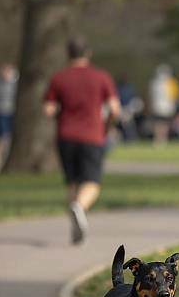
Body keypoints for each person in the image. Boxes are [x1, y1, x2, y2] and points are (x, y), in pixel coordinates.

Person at [43, 37, 121, 244]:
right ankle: (79, 207)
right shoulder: (101, 77)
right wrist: (107, 125)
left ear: (68, 54)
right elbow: (114, 109)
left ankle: (74, 224)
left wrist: (62, 114)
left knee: (72, 181)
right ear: (88, 53)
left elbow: (48, 109)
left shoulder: (59, 78)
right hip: (92, 135)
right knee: (92, 182)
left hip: (65, 136)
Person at [149, 64, 179, 143]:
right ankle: (161, 138)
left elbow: (175, 96)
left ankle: (160, 138)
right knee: (162, 123)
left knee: (161, 123)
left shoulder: (169, 82)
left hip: (163, 106)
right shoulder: (169, 82)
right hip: (163, 107)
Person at [0, 63, 18, 166]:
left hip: (10, 112)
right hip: (1, 112)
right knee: (3, 137)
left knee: (7, 137)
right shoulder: (0, 83)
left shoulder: (15, 82)